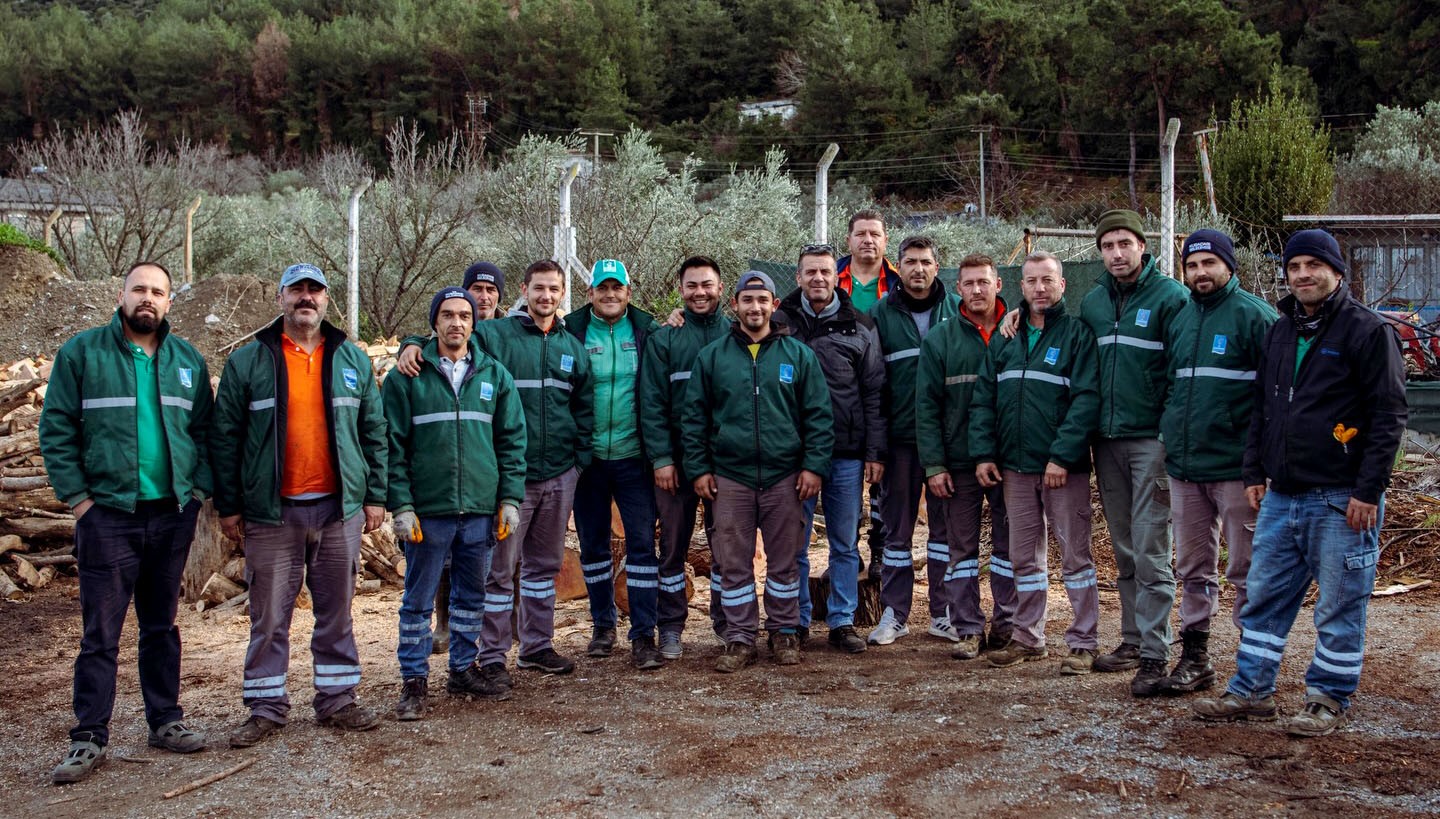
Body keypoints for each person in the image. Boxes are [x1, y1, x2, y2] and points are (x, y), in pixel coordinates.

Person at [1193, 229, 1406, 736]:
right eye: (1294, 267)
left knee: (1339, 602)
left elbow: (1388, 416)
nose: (1303, 275)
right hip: (1282, 496)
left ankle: (1328, 697)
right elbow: (1263, 409)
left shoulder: (1368, 332)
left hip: (1341, 500)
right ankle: (1251, 692)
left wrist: (1367, 491)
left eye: (1313, 265)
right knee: (1264, 596)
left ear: (1336, 271)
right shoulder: (1282, 329)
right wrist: (1254, 471)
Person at [42, 261, 214, 784]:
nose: (148, 298)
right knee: (101, 632)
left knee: (161, 626)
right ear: (121, 296)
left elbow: (205, 434)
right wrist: (80, 504)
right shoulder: (82, 353)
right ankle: (88, 736)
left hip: (170, 515)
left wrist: (197, 495)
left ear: (168, 303)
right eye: (139, 289)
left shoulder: (187, 359)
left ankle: (165, 720)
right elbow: (56, 430)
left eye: (158, 292)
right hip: (107, 516)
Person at [211, 263, 388, 748]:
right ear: (280, 298)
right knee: (268, 615)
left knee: (337, 611)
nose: (305, 298)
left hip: (338, 510)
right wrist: (229, 505)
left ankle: (337, 701)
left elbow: (374, 432)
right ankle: (266, 707)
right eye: (296, 290)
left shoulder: (350, 359)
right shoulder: (249, 362)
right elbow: (224, 438)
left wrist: (374, 495)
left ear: (327, 299)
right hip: (272, 513)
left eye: (314, 290)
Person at [382, 287, 527, 720]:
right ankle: (413, 680)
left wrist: (509, 500)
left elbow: (511, 441)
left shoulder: (493, 375)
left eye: (464, 315)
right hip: (430, 511)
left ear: (473, 323)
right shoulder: (406, 378)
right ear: (434, 322)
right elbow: (392, 446)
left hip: (480, 511)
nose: (456, 323)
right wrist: (401, 505)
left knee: (471, 597)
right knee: (418, 599)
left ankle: (463, 668)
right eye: (447, 315)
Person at [681, 271, 834, 672]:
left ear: (774, 305)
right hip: (731, 477)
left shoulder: (797, 355)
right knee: (733, 562)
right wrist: (699, 470)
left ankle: (784, 632)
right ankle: (739, 637)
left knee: (784, 562)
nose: (755, 307)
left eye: (763, 300)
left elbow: (818, 416)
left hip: (786, 477)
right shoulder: (713, 357)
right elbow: (693, 418)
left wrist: (813, 467)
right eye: (747, 300)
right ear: (735, 305)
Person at [1158, 230, 1278, 695]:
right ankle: (1196, 657)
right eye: (1192, 265)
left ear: (1229, 265)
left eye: (1209, 263)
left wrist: (1261, 465)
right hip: (1186, 468)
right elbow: (1173, 384)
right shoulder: (1182, 318)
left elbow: (1274, 399)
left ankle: (1253, 667)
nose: (1200, 273)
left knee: (1247, 568)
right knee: (1192, 567)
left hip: (1237, 470)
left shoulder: (1256, 317)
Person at [970, 252, 1101, 673]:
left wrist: (1062, 456)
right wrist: (985, 454)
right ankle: (1029, 637)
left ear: (1062, 286)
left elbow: (1085, 401)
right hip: (1015, 467)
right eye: (1031, 281)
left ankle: (1083, 642)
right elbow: (984, 400)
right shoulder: (1007, 338)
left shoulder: (1077, 335)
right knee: (1025, 557)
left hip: (1063, 469)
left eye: (1048, 280)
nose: (1040, 288)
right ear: (1020, 287)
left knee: (1075, 557)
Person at [1079, 209, 1188, 694]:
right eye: (1108, 246)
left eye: (1125, 243)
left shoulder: (1172, 298)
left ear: (1142, 246)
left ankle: (1155, 649)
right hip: (1107, 442)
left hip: (1151, 443)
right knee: (1123, 545)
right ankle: (1131, 639)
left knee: (1151, 546)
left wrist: (1168, 433)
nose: (1117, 253)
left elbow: (1185, 368)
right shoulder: (1095, 302)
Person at [471, 260, 594, 685]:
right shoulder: (493, 336)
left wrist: (578, 463)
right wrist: (413, 342)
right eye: (538, 288)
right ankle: (491, 655)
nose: (545, 296)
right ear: (524, 289)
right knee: (499, 570)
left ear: (563, 295)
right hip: (511, 480)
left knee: (543, 568)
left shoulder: (571, 347)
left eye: (553, 290)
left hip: (559, 474)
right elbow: (446, 342)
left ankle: (537, 646)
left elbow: (584, 409)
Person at [774, 244, 886, 655]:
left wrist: (874, 452)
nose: (818, 279)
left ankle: (841, 621)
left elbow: (875, 391)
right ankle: (799, 619)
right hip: (792, 455)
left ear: (836, 276)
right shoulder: (778, 322)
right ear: (798, 277)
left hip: (846, 453)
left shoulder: (860, 325)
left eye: (825, 272)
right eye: (810, 272)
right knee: (796, 543)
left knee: (844, 541)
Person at [915, 254, 1016, 660]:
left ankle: (1007, 624)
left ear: (998, 285)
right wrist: (934, 466)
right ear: (958, 288)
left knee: (1010, 550)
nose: (977, 290)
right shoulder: (941, 339)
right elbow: (926, 407)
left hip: (1012, 462)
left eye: (984, 282)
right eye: (969, 283)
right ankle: (968, 627)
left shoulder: (1020, 331)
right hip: (957, 465)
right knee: (961, 550)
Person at [565, 259, 663, 669]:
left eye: (616, 288)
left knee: (642, 545)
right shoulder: (570, 330)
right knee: (592, 545)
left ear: (628, 293)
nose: (609, 295)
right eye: (601, 288)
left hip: (633, 457)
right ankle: (603, 626)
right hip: (587, 460)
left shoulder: (647, 332)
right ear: (590, 294)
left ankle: (643, 634)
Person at [867, 235, 960, 646]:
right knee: (896, 532)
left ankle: (943, 613)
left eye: (925, 261)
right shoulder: (879, 316)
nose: (918, 269)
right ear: (897, 268)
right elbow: (872, 387)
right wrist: (877, 446)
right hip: (900, 441)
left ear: (937, 267)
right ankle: (895, 613)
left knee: (945, 533)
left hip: (948, 444)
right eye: (910, 262)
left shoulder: (957, 312)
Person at [639, 256, 731, 659]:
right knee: (673, 547)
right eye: (691, 285)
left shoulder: (737, 332)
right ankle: (671, 628)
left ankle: (728, 624)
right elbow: (652, 403)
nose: (699, 293)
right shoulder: (665, 339)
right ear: (680, 289)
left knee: (726, 547)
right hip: (675, 464)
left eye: (706, 285)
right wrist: (661, 459)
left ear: (721, 288)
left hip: (726, 464)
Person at [433, 261, 509, 655]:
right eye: (475, 289)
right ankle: (444, 622)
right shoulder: (450, 335)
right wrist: (412, 342)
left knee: (494, 552)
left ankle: (493, 629)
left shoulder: (509, 330)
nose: (482, 296)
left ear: (500, 296)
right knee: (448, 556)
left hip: (492, 453)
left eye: (489, 290)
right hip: (449, 464)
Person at [837, 209, 899, 576]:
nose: (868, 240)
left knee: (881, 477)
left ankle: (880, 549)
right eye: (861, 233)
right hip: (841, 393)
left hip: (884, 388)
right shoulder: (832, 278)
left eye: (875, 234)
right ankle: (849, 550)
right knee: (842, 479)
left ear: (884, 240)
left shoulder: (898, 281)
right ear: (849, 239)